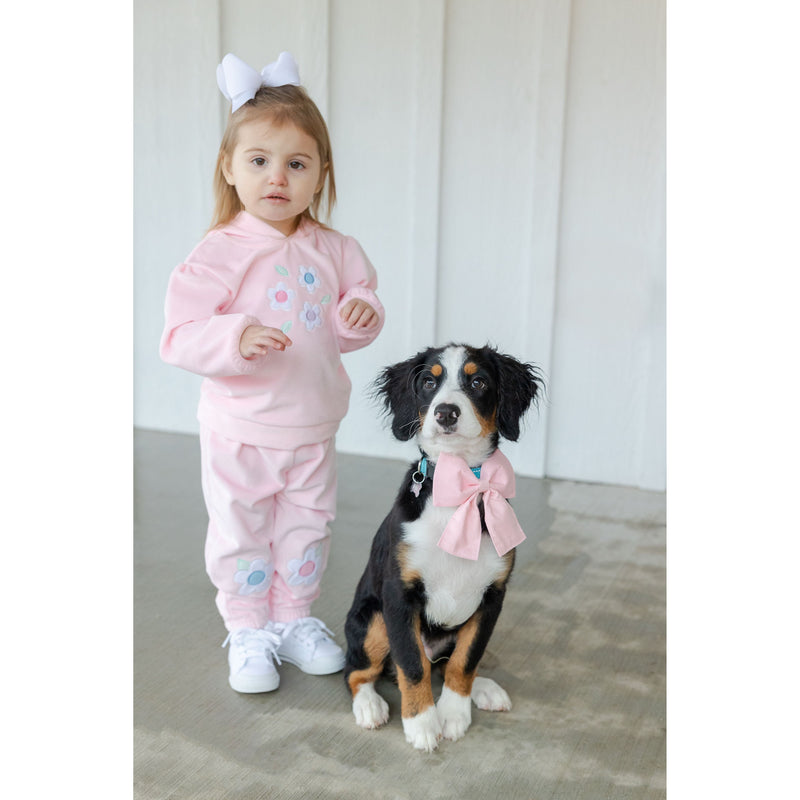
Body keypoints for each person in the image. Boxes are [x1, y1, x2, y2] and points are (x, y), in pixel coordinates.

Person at [160, 52, 384, 693]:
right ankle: (249, 627)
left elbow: (344, 326)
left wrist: (359, 314)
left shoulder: (337, 250)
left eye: (296, 162)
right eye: (258, 160)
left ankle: (292, 618)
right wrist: (236, 335)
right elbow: (179, 337)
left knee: (307, 526)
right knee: (241, 529)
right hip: (242, 429)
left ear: (320, 174)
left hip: (312, 425)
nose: (276, 177)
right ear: (230, 169)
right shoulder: (219, 252)